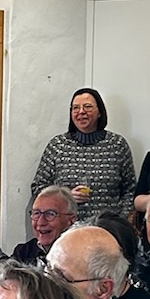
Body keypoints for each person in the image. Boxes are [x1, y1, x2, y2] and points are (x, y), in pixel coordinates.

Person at [30, 87, 136, 222]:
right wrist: (65, 197)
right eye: (75, 108)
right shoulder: (57, 145)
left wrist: (120, 221)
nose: (81, 112)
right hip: (66, 227)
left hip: (107, 227)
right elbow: (38, 187)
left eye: (87, 106)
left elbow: (130, 189)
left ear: (99, 112)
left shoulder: (117, 145)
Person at [10, 187, 76, 267]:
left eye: (50, 214)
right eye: (36, 213)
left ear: (71, 220)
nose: (40, 222)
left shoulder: (81, 255)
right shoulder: (23, 253)